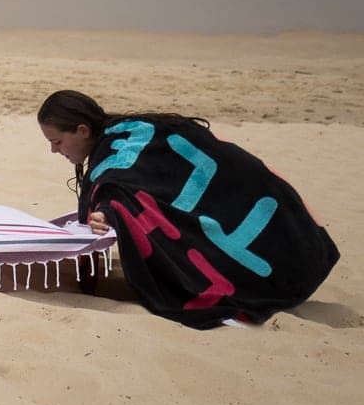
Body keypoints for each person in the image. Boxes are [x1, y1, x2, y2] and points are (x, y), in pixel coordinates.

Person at [36, 90, 337, 327]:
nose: (54, 150)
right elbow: (129, 180)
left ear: (82, 130)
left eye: (57, 141)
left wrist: (105, 211)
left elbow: (118, 184)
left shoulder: (116, 153)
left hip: (243, 190)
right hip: (252, 185)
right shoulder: (126, 129)